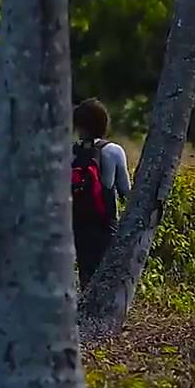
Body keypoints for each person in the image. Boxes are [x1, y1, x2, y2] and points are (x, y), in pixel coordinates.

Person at [71, 97, 132, 289]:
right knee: (107, 277)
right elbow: (125, 191)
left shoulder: (71, 152)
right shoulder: (113, 151)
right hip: (105, 223)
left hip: (77, 223)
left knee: (85, 275)